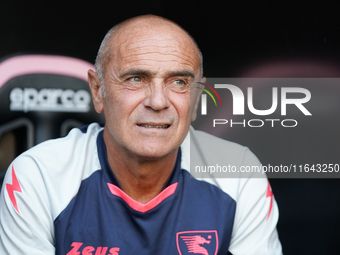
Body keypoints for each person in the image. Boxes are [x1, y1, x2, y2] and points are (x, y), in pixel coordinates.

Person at [0, 15, 282, 254]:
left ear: (196, 99)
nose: (158, 102)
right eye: (136, 79)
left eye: (179, 82)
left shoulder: (239, 172)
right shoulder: (37, 175)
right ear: (98, 91)